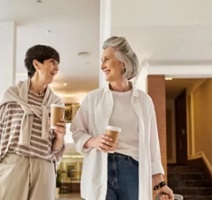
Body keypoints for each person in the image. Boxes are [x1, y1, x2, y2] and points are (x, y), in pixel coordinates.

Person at [70, 36, 174, 200]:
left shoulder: (144, 101)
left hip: (132, 171)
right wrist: (94, 141)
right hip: (100, 168)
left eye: (107, 59)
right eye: (101, 60)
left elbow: (152, 144)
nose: (102, 65)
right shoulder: (93, 99)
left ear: (123, 62)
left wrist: (160, 184)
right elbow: (76, 131)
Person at [0, 44, 66, 200]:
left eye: (58, 63)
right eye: (52, 61)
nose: (56, 67)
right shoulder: (11, 96)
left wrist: (59, 136)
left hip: (44, 167)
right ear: (36, 64)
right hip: (13, 164)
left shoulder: (56, 102)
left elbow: (54, 149)